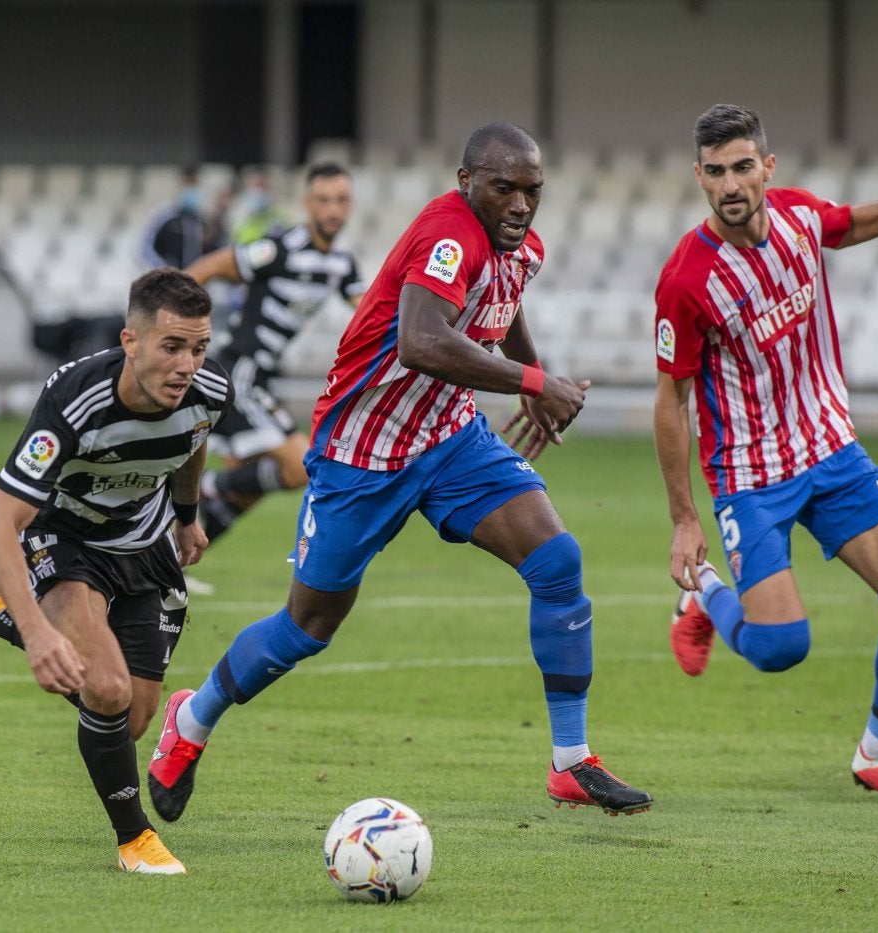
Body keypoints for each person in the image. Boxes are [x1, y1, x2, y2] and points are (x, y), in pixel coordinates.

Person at [146, 122, 654, 824]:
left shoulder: (519, 246)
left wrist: (530, 378)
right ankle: (192, 717)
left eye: (532, 190)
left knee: (557, 560)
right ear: (465, 181)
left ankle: (571, 759)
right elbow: (420, 341)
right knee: (307, 627)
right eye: (502, 187)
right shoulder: (450, 235)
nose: (519, 203)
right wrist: (534, 378)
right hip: (363, 452)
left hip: (450, 440)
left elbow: (501, 305)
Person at [653, 104, 878, 805]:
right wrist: (687, 520)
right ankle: (705, 595)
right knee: (780, 649)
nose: (731, 184)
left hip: (831, 451)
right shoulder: (686, 280)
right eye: (715, 172)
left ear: (767, 168)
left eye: (743, 167)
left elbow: (850, 224)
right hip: (751, 478)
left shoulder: (801, 217)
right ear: (699, 178)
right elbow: (671, 401)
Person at [0, 268, 233, 873]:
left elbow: (194, 439)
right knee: (107, 688)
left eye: (199, 348)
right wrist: (40, 636)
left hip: (141, 545)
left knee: (131, 720)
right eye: (172, 347)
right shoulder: (75, 399)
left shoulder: (211, 390)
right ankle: (134, 839)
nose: (188, 364)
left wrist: (187, 515)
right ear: (129, 342)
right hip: (62, 540)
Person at [184, 162, 365, 546]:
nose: (333, 209)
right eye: (323, 200)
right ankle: (203, 485)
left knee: (248, 488)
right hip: (240, 373)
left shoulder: (341, 264)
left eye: (341, 200)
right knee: (303, 467)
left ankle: (172, 565)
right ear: (307, 204)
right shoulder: (279, 249)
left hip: (262, 378)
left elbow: (372, 313)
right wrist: (178, 323)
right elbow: (210, 266)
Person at [139, 166, 228, 271]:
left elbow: (217, 248)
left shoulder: (201, 217)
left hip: (193, 278)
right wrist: (163, 269)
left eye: (194, 185)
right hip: (168, 277)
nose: (191, 189)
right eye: (188, 184)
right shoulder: (164, 215)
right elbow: (144, 247)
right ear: (180, 185)